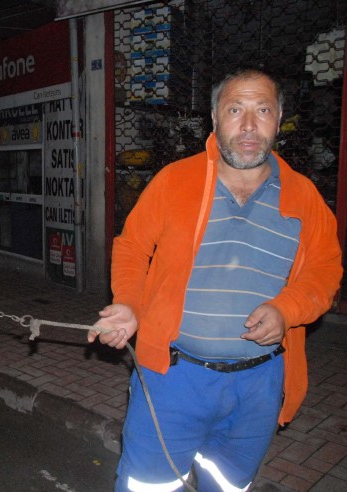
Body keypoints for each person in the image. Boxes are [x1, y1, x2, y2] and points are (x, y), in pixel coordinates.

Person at [89, 68, 343, 491]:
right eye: (235, 110)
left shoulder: (305, 197)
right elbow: (132, 246)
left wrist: (287, 310)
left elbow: (326, 269)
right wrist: (130, 304)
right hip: (173, 377)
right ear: (214, 118)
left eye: (263, 110)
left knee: (228, 486)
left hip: (258, 386)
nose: (249, 125)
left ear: (279, 119)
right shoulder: (175, 180)